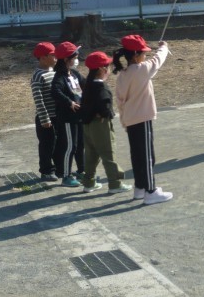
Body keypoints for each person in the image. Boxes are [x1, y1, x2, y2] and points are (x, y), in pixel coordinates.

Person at [113, 34, 173, 205]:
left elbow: (120, 101)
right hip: (142, 118)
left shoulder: (123, 74)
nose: (145, 55)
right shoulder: (142, 69)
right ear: (135, 55)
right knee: (147, 156)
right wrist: (164, 47)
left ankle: (140, 187)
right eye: (143, 53)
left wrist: (124, 121)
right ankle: (150, 191)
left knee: (137, 155)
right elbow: (158, 60)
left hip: (130, 120)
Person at [80, 51, 132, 194]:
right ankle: (115, 183)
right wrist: (106, 114)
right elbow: (105, 106)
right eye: (107, 66)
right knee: (108, 153)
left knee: (91, 154)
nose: (109, 68)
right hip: (100, 125)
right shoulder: (101, 86)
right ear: (102, 69)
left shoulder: (88, 84)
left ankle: (89, 182)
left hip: (87, 124)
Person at [51, 41, 86, 187]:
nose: (77, 60)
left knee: (81, 145)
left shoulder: (75, 74)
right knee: (70, 147)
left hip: (79, 116)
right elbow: (55, 91)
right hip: (67, 118)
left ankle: (82, 171)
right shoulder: (59, 76)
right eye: (75, 57)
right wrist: (69, 102)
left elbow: (86, 85)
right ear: (66, 59)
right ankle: (66, 175)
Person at [31, 42, 59, 181]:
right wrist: (44, 118)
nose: (56, 58)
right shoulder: (38, 75)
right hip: (46, 118)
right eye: (53, 55)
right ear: (43, 58)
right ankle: (46, 170)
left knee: (57, 143)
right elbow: (38, 98)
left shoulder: (54, 72)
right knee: (47, 144)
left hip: (57, 115)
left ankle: (58, 167)